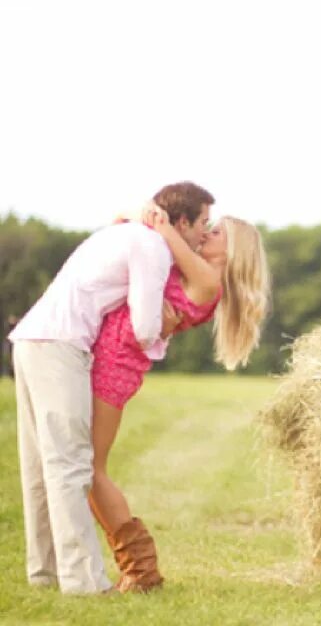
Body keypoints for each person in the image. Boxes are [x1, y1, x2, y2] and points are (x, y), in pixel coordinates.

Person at [8, 181, 214, 594]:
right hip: (61, 346)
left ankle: (45, 574)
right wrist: (167, 324)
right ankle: (83, 581)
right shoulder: (152, 248)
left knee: (40, 467)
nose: (203, 235)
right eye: (202, 224)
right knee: (71, 464)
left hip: (31, 339)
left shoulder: (126, 232)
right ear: (183, 221)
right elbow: (143, 328)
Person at [88, 206, 271, 592]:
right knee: (84, 468)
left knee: (91, 469)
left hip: (113, 368)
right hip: (109, 358)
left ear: (232, 251)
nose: (206, 235)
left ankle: (141, 570)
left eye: (216, 232)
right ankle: (133, 567)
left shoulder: (207, 278)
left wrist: (156, 220)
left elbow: (164, 231)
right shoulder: (195, 271)